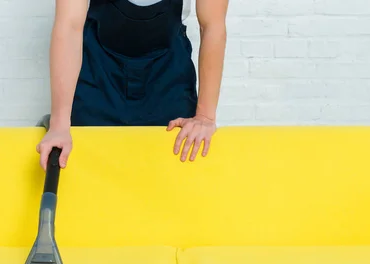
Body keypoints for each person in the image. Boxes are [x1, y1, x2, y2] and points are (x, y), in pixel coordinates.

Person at [36, 0, 229, 169]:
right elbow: (69, 25)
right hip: (99, 71)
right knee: (86, 168)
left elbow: (213, 25)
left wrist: (205, 116)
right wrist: (59, 125)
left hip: (168, 74)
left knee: (174, 168)